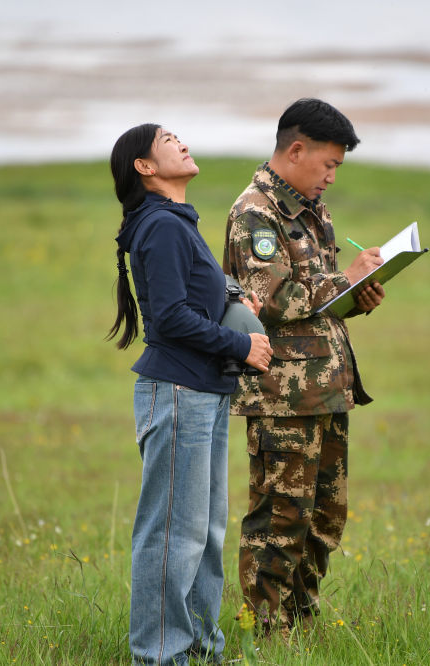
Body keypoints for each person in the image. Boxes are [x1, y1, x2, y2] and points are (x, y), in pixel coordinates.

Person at [108, 123, 273, 665]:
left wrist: (229, 292)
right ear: (145, 167)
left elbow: (185, 293)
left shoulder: (173, 222)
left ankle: (201, 651)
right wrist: (240, 344)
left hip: (201, 391)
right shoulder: (161, 225)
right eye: (167, 138)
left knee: (204, 532)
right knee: (171, 535)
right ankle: (160, 656)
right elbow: (172, 318)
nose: (181, 141)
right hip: (178, 391)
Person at [222, 98, 385, 637]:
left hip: (326, 389)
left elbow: (313, 308)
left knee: (324, 518)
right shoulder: (255, 212)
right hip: (283, 396)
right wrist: (346, 280)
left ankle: (301, 621)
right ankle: (268, 633)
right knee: (281, 517)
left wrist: (355, 296)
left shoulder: (312, 211)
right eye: (328, 165)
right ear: (296, 150)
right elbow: (270, 298)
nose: (332, 177)